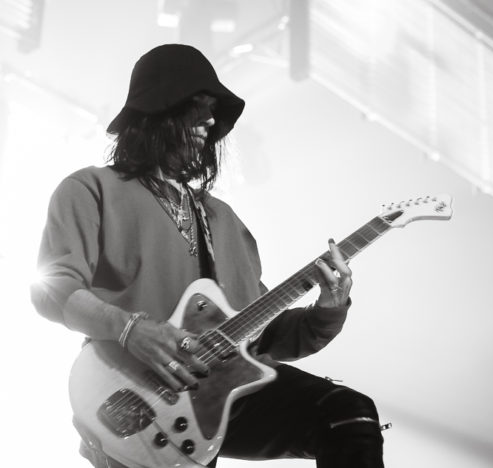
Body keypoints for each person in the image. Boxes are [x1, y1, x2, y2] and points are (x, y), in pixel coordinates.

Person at [30, 44, 384, 468]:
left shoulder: (224, 219)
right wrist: (130, 330)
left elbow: (264, 334)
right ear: (159, 108)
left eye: (214, 111)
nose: (211, 122)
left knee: (348, 415)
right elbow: (54, 289)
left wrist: (329, 308)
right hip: (136, 400)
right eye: (198, 107)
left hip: (225, 392)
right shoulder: (91, 189)